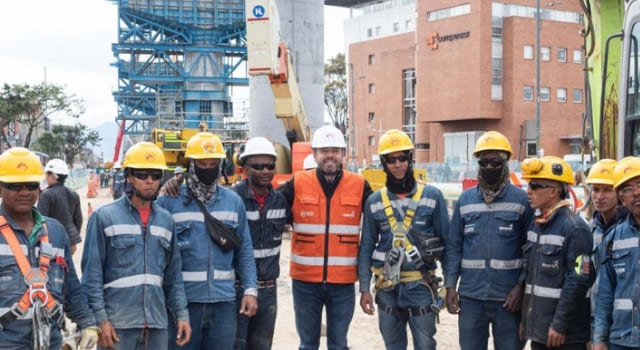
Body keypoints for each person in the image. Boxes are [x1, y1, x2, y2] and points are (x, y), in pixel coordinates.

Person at [81, 142, 191, 350]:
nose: (149, 181)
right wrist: (100, 320)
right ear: (129, 177)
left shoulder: (166, 221)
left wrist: (181, 314)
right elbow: (91, 277)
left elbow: (173, 277)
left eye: (155, 175)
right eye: (142, 175)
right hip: (118, 326)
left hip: (157, 326)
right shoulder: (104, 217)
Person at [156, 132, 257, 350]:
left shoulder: (233, 202)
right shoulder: (169, 201)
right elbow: (157, 255)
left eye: (214, 163)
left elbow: (245, 250)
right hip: (183, 305)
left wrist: (250, 289)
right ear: (191, 165)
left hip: (223, 304)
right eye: (202, 163)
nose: (208, 168)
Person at [278, 124, 372, 350]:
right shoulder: (298, 182)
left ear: (343, 154)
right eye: (324, 150)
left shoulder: (359, 185)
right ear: (314, 154)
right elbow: (269, 208)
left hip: (343, 283)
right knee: (308, 344)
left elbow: (380, 219)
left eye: (335, 150)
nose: (329, 155)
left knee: (339, 344)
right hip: (305, 282)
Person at [0, 147, 99, 349]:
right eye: (15, 186)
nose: (25, 192)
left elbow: (71, 287)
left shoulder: (55, 231)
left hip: (50, 342)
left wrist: (87, 322)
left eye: (31, 185)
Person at [358, 129, 449, 350]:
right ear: (384, 163)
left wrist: (450, 284)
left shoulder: (432, 196)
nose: (398, 164)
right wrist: (364, 288)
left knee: (425, 345)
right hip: (386, 288)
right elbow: (367, 245)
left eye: (402, 158)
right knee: (393, 346)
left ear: (410, 159)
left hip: (421, 285)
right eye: (391, 160)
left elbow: (448, 244)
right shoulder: (374, 201)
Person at [445, 131, 533, 350]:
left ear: (506, 162)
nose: (489, 168)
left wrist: (520, 287)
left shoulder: (522, 201)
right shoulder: (465, 201)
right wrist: (450, 286)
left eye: (495, 162)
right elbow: (454, 247)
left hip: (508, 300)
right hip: (472, 298)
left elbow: (530, 251)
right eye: (484, 163)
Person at [520, 156, 592, 350]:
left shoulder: (575, 229)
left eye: (535, 186)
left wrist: (559, 325)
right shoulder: (537, 226)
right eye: (528, 185)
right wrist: (527, 321)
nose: (528, 191)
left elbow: (578, 281)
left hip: (565, 336)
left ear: (554, 191)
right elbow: (532, 279)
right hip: (541, 332)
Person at [231, 137, 290, 350]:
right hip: (237, 289)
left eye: (270, 166)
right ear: (245, 168)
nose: (265, 171)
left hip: (268, 290)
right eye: (258, 166)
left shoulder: (280, 201)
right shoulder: (232, 199)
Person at [592, 157, 640, 350]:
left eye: (639, 184)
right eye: (627, 189)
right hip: (621, 340)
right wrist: (599, 339)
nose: (636, 192)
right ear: (622, 198)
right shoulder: (613, 238)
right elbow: (605, 295)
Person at [37, 158, 83, 255]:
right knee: (66, 268)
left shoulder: (46, 195)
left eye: (47, 174)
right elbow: (78, 219)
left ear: (53, 176)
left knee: (53, 269)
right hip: (71, 242)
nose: (45, 177)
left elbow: (40, 221)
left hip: (53, 242)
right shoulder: (73, 194)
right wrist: (73, 237)